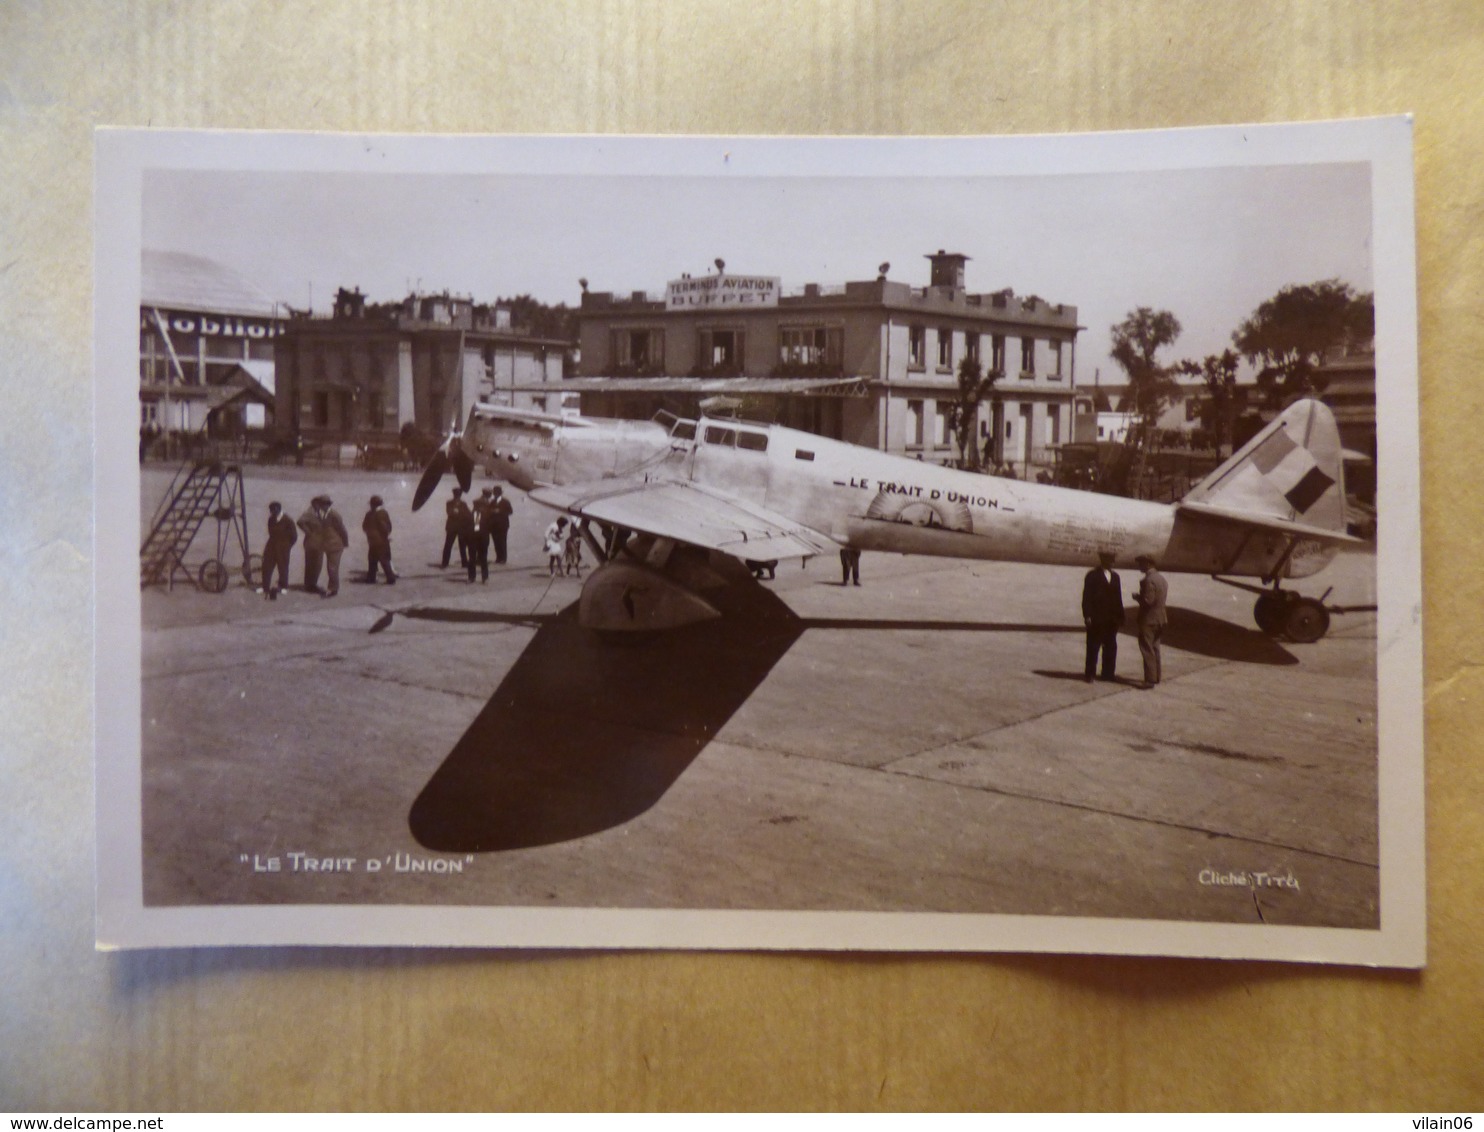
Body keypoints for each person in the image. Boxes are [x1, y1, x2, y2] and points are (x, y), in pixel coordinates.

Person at [1081, 550, 1124, 683]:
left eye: (1113, 560)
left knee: (1111, 647)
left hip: (1111, 620)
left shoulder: (1116, 576)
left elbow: (1118, 598)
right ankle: (1090, 674)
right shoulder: (1092, 575)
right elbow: (1086, 597)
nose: (1112, 563)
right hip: (1097, 618)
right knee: (1093, 647)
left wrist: (1121, 616)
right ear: (1103, 560)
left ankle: (1108, 673)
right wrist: (1087, 615)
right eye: (1109, 560)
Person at [1134, 554, 1169, 688]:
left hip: (1148, 619)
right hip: (1160, 619)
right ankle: (1156, 676)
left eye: (1141, 564)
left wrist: (1137, 597)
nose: (1139, 566)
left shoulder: (1149, 580)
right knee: (1155, 648)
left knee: (1147, 648)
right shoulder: (1161, 579)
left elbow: (1148, 601)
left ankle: (1149, 680)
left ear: (1148, 564)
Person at [316, 495, 350, 598]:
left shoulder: (334, 515)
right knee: (330, 567)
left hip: (335, 545)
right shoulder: (322, 514)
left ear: (328, 505)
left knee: (332, 568)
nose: (322, 507)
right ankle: (333, 588)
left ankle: (333, 589)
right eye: (321, 505)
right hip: (328, 545)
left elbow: (342, 529)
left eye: (324, 505)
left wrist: (345, 542)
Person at [262, 501, 297, 600]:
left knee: (283, 567)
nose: (272, 513)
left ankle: (283, 586)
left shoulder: (288, 520)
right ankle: (266, 587)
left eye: (273, 510)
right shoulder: (271, 520)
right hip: (271, 546)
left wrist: (287, 546)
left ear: (278, 509)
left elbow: (294, 536)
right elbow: (270, 532)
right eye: (271, 511)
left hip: (283, 548)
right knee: (266, 566)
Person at [362, 495, 396, 584]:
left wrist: (370, 535)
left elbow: (364, 526)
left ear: (372, 504)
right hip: (382, 540)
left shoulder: (369, 513)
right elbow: (385, 526)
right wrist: (386, 535)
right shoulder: (383, 513)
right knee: (385, 559)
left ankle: (371, 578)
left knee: (372, 559)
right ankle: (390, 578)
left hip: (372, 541)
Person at [297, 499, 325, 594]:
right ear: (314, 504)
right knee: (313, 564)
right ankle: (310, 585)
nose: (320, 506)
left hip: (319, 542)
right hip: (311, 542)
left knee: (317, 564)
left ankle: (311, 584)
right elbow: (300, 521)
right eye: (319, 504)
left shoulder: (319, 513)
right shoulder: (309, 512)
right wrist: (308, 532)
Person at [442, 488, 473, 569]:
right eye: (456, 495)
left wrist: (459, 513)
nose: (457, 497)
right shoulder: (449, 503)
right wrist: (461, 514)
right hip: (453, 527)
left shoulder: (463, 504)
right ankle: (445, 562)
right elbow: (450, 513)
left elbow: (468, 514)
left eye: (458, 495)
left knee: (462, 545)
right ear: (454, 495)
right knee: (448, 545)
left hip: (460, 527)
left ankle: (464, 562)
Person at [469, 488, 495, 583]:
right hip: (476, 537)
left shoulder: (486, 515)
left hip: (482, 537)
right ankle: (474, 578)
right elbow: (473, 526)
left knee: (482, 558)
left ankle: (483, 578)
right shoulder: (474, 514)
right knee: (474, 558)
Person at [487, 485, 513, 565]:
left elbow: (510, 511)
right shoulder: (492, 502)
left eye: (497, 493)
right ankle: (498, 557)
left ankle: (503, 558)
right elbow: (488, 511)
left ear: (500, 493)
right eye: (495, 493)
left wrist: (500, 512)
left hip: (502, 525)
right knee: (496, 541)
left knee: (502, 541)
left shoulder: (505, 502)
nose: (495, 494)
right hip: (493, 525)